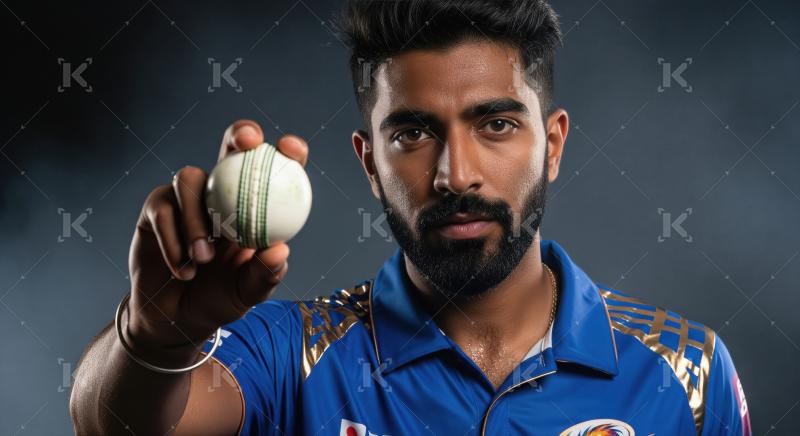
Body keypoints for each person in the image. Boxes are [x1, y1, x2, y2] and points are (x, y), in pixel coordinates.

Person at [70, 0, 751, 434]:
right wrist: (154, 333)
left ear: (554, 145)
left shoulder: (688, 372)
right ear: (369, 163)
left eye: (496, 124)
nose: (457, 174)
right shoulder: (288, 357)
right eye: (412, 134)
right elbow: (114, 426)